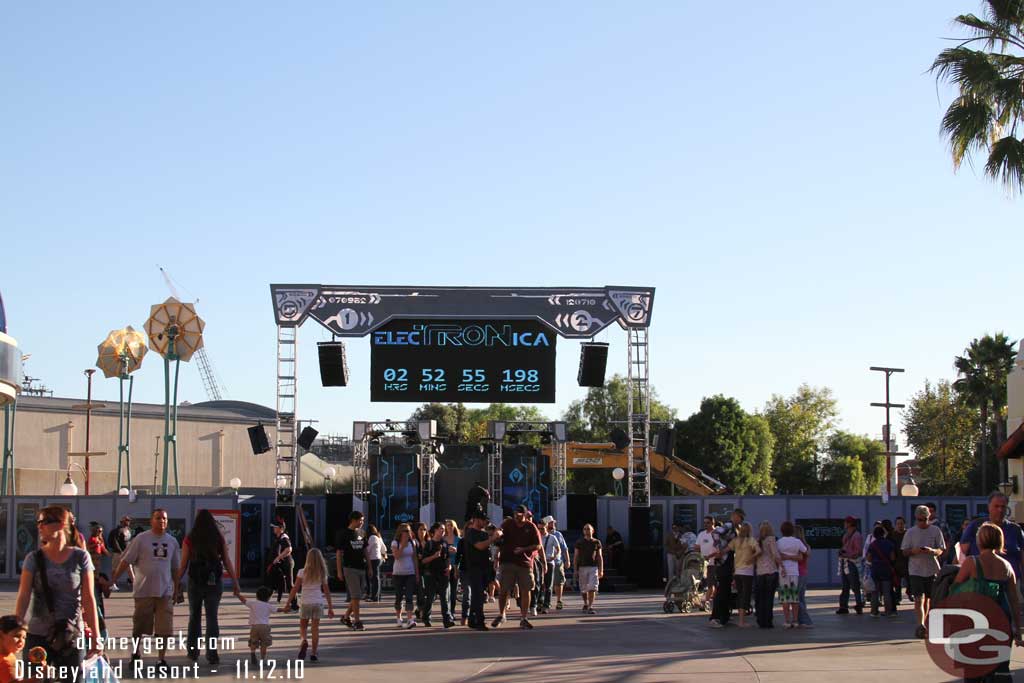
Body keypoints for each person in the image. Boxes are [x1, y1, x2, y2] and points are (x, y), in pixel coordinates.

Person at [15, 506, 102, 671]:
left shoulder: (80, 557)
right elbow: (24, 595)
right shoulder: (33, 559)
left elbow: (89, 598)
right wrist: (16, 629)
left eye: (45, 522)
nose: (39, 526)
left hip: (71, 634)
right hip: (38, 634)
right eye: (38, 522)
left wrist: (96, 637)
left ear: (61, 524)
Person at [952, 522, 1023, 681]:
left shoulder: (972, 562)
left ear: (979, 541)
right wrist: (1017, 629)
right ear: (1000, 541)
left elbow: (955, 591)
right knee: (1000, 669)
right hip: (1002, 622)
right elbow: (1014, 601)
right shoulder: (1007, 566)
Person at [111, 508, 179, 668]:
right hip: (143, 591)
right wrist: (113, 579)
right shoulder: (141, 539)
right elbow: (126, 561)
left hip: (165, 592)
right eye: (158, 518)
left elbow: (175, 568)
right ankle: (135, 654)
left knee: (164, 629)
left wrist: (177, 588)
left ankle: (161, 659)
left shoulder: (172, 541)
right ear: (151, 521)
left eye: (164, 518)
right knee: (139, 626)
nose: (161, 521)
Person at [176, 509, 241, 665]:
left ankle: (193, 652)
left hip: (195, 582)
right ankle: (212, 654)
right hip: (214, 582)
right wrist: (235, 582)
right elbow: (226, 561)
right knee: (212, 618)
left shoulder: (190, 539)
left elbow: (183, 564)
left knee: (194, 617)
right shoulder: (218, 538)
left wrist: (176, 583)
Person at [493, 505, 542, 629]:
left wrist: (524, 549)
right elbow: (499, 535)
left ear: (525, 515)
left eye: (519, 515)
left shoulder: (531, 527)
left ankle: (524, 617)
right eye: (515, 515)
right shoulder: (507, 523)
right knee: (503, 590)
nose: (517, 517)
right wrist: (497, 534)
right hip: (507, 561)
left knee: (526, 590)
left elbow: (538, 546)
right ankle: (501, 614)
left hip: (524, 563)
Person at [960, 492, 1024, 585]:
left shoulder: (1015, 529)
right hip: (981, 582)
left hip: (1009, 580)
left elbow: (1022, 556)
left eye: (1003, 507)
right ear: (989, 507)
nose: (1000, 510)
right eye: (996, 506)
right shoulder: (976, 525)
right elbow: (962, 551)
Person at [901, 504, 946, 639]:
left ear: (929, 518)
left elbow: (941, 549)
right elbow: (904, 551)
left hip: (932, 569)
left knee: (930, 599)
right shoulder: (910, 532)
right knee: (919, 599)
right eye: (919, 520)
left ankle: (927, 623)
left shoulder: (935, 530)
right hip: (915, 570)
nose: (922, 522)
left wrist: (933, 551)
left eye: (925, 519)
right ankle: (920, 625)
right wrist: (913, 551)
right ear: (916, 519)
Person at [283, 548, 334, 662]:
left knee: (303, 627)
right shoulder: (322, 573)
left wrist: (287, 603)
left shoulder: (302, 572)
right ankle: (314, 653)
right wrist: (330, 607)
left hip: (305, 602)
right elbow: (326, 591)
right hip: (318, 603)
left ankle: (304, 641)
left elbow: (295, 588)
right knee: (315, 629)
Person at [708, 509, 744, 628]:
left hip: (728, 561)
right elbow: (715, 533)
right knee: (722, 590)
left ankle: (724, 617)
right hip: (724, 561)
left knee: (726, 590)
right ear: (734, 516)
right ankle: (715, 618)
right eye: (740, 517)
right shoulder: (729, 525)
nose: (741, 520)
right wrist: (720, 549)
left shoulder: (735, 527)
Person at [463, 510, 499, 630]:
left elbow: (488, 550)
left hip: (485, 568)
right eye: (484, 520)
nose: (485, 523)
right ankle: (479, 620)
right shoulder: (470, 533)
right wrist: (492, 538)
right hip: (474, 568)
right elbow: (479, 546)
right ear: (477, 520)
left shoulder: (484, 534)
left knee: (480, 595)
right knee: (477, 595)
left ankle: (472, 619)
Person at [335, 511, 368, 631]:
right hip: (350, 568)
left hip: (361, 567)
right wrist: (339, 571)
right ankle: (357, 621)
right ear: (353, 520)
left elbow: (365, 550)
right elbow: (338, 553)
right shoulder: (343, 534)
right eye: (360, 520)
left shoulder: (362, 533)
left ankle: (346, 616)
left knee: (357, 596)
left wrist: (369, 566)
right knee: (355, 595)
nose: (362, 523)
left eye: (363, 520)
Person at [421, 523, 455, 628]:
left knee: (445, 598)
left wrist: (449, 567)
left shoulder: (445, 543)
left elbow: (448, 558)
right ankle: (426, 617)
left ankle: (447, 619)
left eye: (444, 529)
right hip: (431, 574)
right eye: (441, 529)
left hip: (443, 574)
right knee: (430, 597)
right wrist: (434, 556)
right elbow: (423, 560)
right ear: (435, 530)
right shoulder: (429, 544)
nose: (443, 531)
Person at [775, 521, 807, 629]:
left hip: (783, 572)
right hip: (794, 572)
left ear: (782, 531)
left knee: (785, 597)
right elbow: (805, 551)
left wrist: (785, 557)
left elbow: (777, 557)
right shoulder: (797, 541)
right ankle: (796, 620)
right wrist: (794, 556)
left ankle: (787, 621)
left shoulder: (779, 542)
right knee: (795, 597)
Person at [728, 522, 760, 628]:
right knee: (745, 596)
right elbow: (758, 551)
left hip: (738, 571)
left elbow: (726, 549)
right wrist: (752, 558)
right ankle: (742, 621)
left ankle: (741, 620)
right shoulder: (751, 540)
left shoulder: (736, 541)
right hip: (747, 572)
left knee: (740, 594)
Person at [390, 523, 419, 629]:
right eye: (405, 531)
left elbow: (415, 558)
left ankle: (410, 619)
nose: (407, 533)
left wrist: (417, 573)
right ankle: (399, 618)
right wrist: (402, 545)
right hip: (398, 573)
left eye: (408, 531)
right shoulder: (395, 543)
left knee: (409, 596)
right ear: (400, 532)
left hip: (410, 573)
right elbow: (396, 556)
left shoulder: (413, 543)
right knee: (398, 597)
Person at [237, 586, 275, 667]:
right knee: (264, 644)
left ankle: (253, 653)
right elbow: (278, 610)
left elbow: (244, 600)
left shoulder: (253, 603)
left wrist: (238, 594)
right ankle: (262, 659)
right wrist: (286, 609)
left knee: (253, 641)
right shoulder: (268, 605)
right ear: (268, 597)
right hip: (265, 627)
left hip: (254, 626)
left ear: (257, 596)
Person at [754, 521, 781, 628]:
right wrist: (782, 566)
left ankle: (760, 619)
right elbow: (775, 554)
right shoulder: (771, 539)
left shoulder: (757, 540)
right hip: (771, 571)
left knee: (760, 597)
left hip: (760, 572)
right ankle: (768, 621)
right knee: (769, 598)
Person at [866, 526, 896, 618]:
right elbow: (892, 557)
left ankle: (874, 611)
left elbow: (869, 558)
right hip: (886, 569)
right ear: (884, 533)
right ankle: (888, 611)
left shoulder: (872, 544)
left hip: (875, 569)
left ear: (874, 534)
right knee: (886, 592)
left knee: (875, 592)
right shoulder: (889, 544)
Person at [574, 524, 604, 615]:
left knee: (592, 587)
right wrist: (575, 569)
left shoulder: (597, 542)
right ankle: (585, 603)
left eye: (588, 529)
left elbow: (599, 556)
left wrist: (601, 569)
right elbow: (576, 556)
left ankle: (590, 606)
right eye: (585, 529)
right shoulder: (579, 542)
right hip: (582, 567)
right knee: (583, 588)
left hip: (593, 567)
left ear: (592, 531)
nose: (587, 531)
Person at [836, 516, 864, 615]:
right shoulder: (846, 535)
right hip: (845, 562)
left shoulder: (856, 536)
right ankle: (843, 606)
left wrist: (846, 554)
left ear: (849, 523)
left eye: (845, 522)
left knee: (855, 585)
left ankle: (859, 604)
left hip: (852, 563)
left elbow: (858, 552)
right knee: (845, 586)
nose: (844, 524)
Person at [544, 517, 571, 610]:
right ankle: (545, 601)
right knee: (545, 583)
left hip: (557, 561)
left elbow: (564, 548)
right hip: (545, 561)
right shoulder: (542, 534)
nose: (553, 524)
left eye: (553, 522)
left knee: (558, 582)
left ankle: (559, 600)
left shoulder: (558, 534)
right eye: (551, 523)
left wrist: (568, 560)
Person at [269, 521, 296, 609]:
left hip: (287, 563)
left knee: (289, 584)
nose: (273, 528)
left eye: (275, 527)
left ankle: (295, 605)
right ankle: (266, 600)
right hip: (281, 564)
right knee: (273, 580)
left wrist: (278, 558)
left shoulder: (284, 537)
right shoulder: (278, 537)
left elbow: (289, 549)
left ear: (281, 528)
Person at [695, 516, 720, 606]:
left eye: (708, 522)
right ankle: (708, 601)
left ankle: (706, 601)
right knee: (708, 584)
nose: (705, 524)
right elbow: (696, 547)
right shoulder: (701, 534)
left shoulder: (717, 534)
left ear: (713, 523)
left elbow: (719, 550)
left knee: (713, 584)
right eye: (704, 522)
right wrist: (699, 557)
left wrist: (709, 556)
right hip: (704, 563)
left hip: (715, 563)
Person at [792, 525, 813, 628]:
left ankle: (805, 620)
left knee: (796, 598)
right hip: (804, 573)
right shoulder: (806, 545)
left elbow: (799, 558)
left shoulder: (796, 545)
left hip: (797, 573)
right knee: (801, 597)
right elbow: (808, 554)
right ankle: (801, 620)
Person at [107, 516, 134, 588]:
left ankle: (135, 584)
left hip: (127, 553)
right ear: (122, 521)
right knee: (115, 569)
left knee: (129, 568)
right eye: (127, 520)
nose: (128, 522)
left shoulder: (129, 530)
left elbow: (129, 541)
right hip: (118, 553)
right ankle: (112, 584)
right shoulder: (117, 531)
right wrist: (120, 552)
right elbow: (114, 542)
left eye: (129, 520)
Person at [540, 522, 561, 613]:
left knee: (548, 585)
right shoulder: (538, 537)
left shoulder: (552, 537)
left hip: (549, 562)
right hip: (539, 562)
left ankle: (546, 605)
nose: (540, 531)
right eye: (539, 529)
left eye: (542, 529)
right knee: (538, 584)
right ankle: (539, 603)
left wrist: (554, 556)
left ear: (546, 527)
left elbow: (558, 549)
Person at [0, 615, 26, 683]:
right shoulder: (6, 663)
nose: (21, 641)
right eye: (17, 636)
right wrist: (39, 676)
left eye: (24, 637)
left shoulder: (8, 655)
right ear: (1, 635)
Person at [444, 519, 461, 620]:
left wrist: (457, 550)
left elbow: (462, 553)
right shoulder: (443, 539)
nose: (449, 527)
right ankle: (447, 612)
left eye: (451, 525)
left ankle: (452, 612)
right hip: (445, 567)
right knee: (446, 591)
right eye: (447, 525)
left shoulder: (458, 539)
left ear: (454, 527)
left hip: (455, 567)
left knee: (453, 591)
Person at [365, 525, 386, 603]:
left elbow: (367, 549)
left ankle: (374, 596)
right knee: (376, 578)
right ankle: (378, 596)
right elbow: (384, 548)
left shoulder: (371, 538)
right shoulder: (378, 537)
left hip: (373, 559)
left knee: (374, 578)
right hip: (378, 558)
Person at [890, 516, 907, 607]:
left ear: (905, 524)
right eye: (898, 524)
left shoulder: (908, 534)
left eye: (901, 523)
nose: (900, 525)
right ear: (895, 525)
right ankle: (898, 597)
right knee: (897, 582)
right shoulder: (893, 535)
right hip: (896, 561)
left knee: (910, 580)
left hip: (907, 561)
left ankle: (910, 592)